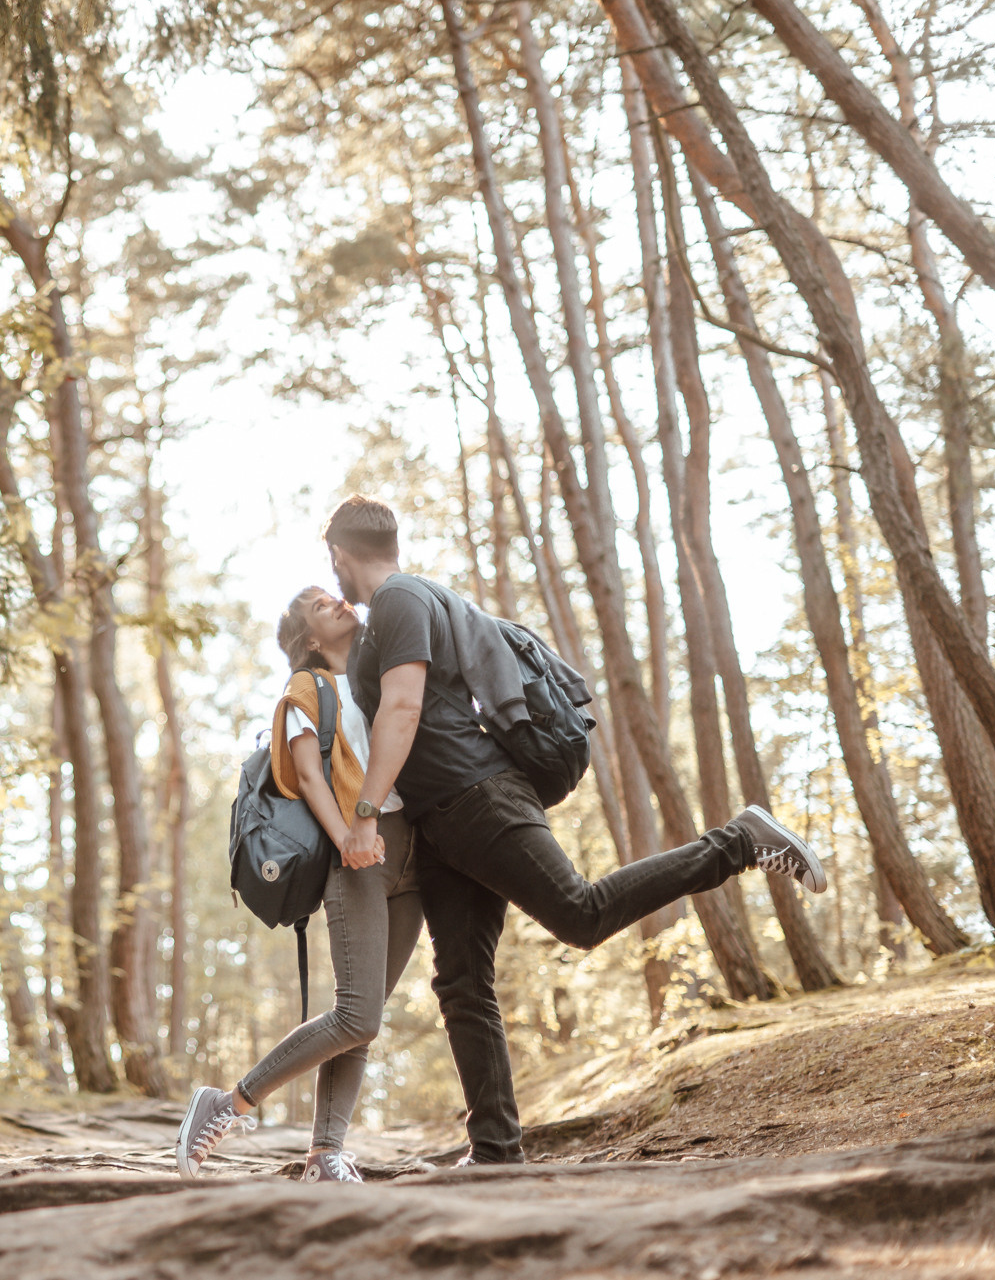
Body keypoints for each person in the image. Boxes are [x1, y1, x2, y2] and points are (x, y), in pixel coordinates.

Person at [318, 494, 828, 1165]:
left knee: (581, 913)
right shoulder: (392, 609)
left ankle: (739, 839)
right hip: (442, 821)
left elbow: (406, 705)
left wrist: (362, 813)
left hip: (479, 797)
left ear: (339, 554)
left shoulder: (401, 598)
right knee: (462, 979)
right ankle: (496, 1147)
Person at [175, 586, 425, 1184]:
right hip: (357, 852)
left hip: (416, 855)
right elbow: (311, 778)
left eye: (336, 597)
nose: (339, 603)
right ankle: (228, 1103)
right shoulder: (305, 692)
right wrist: (349, 837)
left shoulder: (377, 677)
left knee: (367, 1013)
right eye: (321, 606)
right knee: (357, 1016)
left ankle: (325, 1155)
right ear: (310, 638)